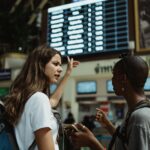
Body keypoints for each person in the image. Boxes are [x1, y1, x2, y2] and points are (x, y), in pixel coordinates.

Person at [4, 45, 80, 150]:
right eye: (55, 64)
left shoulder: (27, 98)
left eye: (60, 65)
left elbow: (53, 101)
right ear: (40, 65)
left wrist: (68, 74)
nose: (60, 69)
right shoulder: (39, 99)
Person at [71, 55, 150, 150]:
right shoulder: (136, 111)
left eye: (114, 75)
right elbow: (124, 141)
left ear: (123, 78)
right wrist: (107, 125)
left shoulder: (139, 118)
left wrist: (91, 142)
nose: (112, 80)